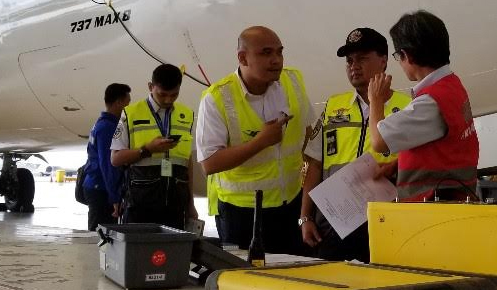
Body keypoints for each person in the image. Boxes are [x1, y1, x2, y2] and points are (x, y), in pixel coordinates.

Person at [196, 26, 315, 255]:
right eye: (266, 53)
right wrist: (259, 142)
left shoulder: (292, 80)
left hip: (290, 205)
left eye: (279, 52)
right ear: (242, 57)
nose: (276, 60)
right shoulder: (217, 98)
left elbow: (309, 131)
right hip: (241, 214)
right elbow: (209, 164)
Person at [300, 28, 411, 262]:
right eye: (349, 61)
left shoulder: (408, 106)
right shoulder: (333, 106)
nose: (354, 66)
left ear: (383, 61)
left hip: (385, 222)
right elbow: (314, 164)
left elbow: (419, 161)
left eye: (362, 58)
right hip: (333, 225)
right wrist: (305, 218)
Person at [368, 10, 479, 202]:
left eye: (398, 56)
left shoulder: (431, 102)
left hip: (433, 210)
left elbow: (378, 142)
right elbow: (444, 149)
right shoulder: (451, 85)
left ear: (407, 56)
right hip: (450, 201)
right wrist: (399, 165)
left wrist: (376, 101)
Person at [111, 64, 197, 230]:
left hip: (175, 205)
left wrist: (190, 204)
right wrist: (147, 150)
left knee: (174, 255)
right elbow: (115, 159)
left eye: (174, 95)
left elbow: (187, 162)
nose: (168, 100)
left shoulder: (186, 115)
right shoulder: (131, 113)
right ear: (150, 87)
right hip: (140, 205)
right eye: (162, 94)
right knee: (139, 255)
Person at [82, 83, 130, 231]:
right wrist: (114, 197)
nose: (128, 108)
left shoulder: (102, 123)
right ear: (118, 102)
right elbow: (108, 164)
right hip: (101, 188)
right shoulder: (108, 128)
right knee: (101, 236)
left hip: (97, 185)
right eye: (127, 103)